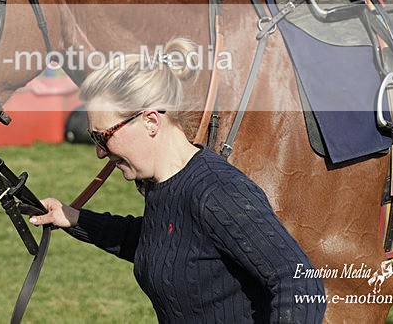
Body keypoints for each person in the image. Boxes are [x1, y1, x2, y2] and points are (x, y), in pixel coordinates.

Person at [29, 38, 326, 323]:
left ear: (150, 121)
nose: (98, 152)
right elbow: (162, 244)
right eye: (93, 137)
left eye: (103, 136)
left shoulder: (217, 192)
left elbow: (298, 281)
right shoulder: (164, 187)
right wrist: (73, 218)